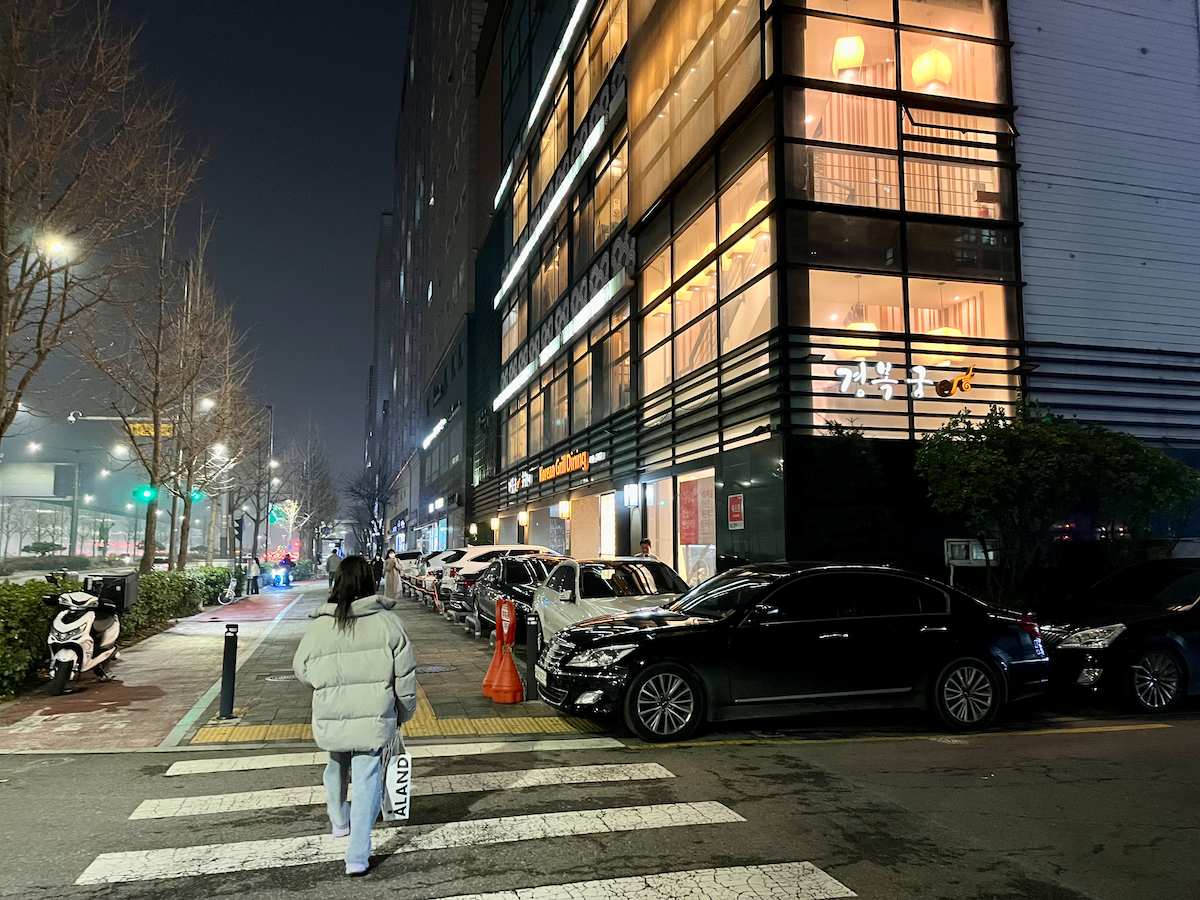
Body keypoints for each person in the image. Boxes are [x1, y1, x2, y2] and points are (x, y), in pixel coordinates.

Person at [293, 556, 417, 876]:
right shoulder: (388, 623)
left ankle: (338, 819)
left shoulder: (321, 624)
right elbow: (405, 677)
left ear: (337, 583)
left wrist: (325, 686)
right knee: (367, 778)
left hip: (332, 709)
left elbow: (301, 669)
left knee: (335, 762)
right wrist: (404, 712)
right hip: (373, 712)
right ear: (369, 582)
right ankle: (357, 855)